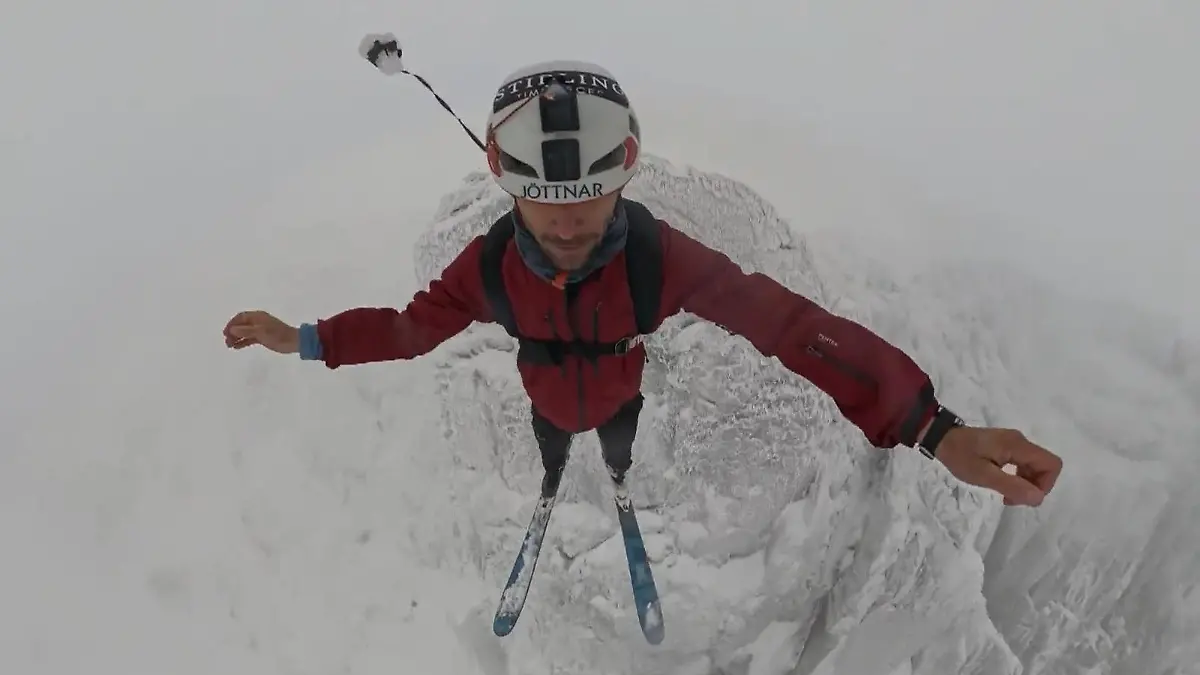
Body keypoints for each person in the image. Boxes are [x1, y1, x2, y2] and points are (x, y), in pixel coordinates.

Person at [223, 59, 1063, 509]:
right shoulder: (491, 267)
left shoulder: (659, 260)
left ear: (625, 177)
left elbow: (794, 327)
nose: (564, 224)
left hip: (593, 387)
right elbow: (407, 330)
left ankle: (602, 470)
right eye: (546, 203)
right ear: (506, 182)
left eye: (588, 200)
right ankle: (573, 468)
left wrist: (933, 426)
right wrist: (301, 337)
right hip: (577, 388)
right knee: (567, 428)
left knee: (604, 427)